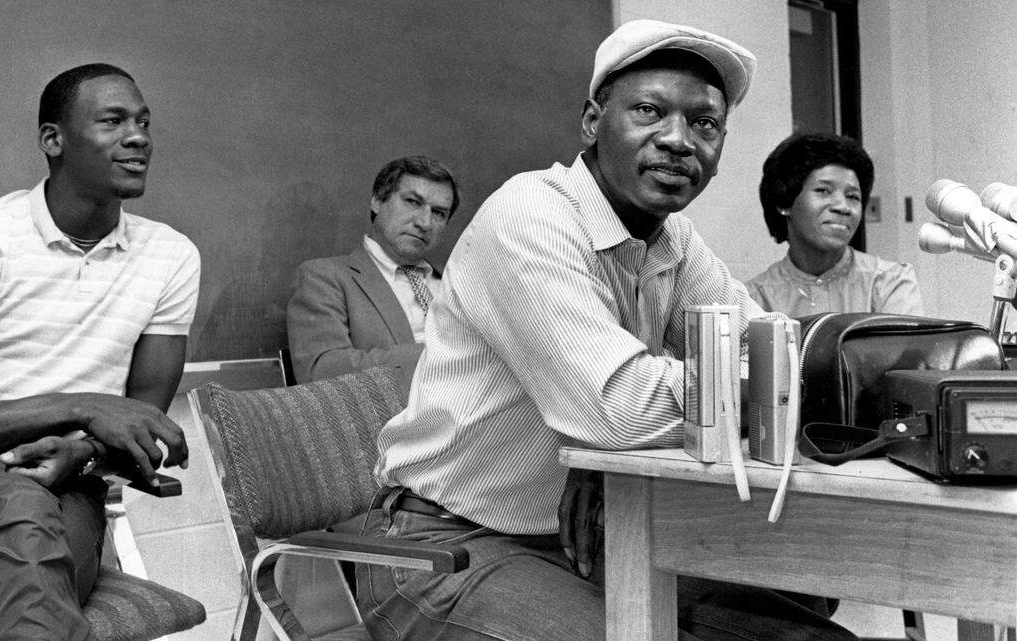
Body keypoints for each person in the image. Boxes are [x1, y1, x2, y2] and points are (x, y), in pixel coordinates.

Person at [358, 19, 858, 641]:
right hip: (443, 545)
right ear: (593, 121)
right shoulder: (529, 215)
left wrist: (606, 461)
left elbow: (766, 344)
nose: (679, 141)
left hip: (585, 531)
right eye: (649, 111)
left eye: (704, 123)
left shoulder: (674, 240)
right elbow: (619, 410)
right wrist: (623, 437)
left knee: (804, 619)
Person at [0, 63, 200, 641]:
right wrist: (76, 406)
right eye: (113, 121)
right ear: (53, 140)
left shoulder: (170, 257)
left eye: (144, 122)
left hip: (66, 489)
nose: (139, 137)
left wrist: (81, 453)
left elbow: (139, 423)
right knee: (22, 521)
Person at [286, 155, 459, 392]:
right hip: (389, 423)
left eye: (439, 213)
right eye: (412, 201)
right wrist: (445, 355)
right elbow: (322, 373)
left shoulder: (459, 286)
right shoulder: (324, 277)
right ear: (377, 201)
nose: (425, 222)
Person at [746, 132, 923, 316]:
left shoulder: (889, 283)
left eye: (853, 196)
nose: (843, 207)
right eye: (823, 191)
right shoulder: (754, 299)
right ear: (784, 202)